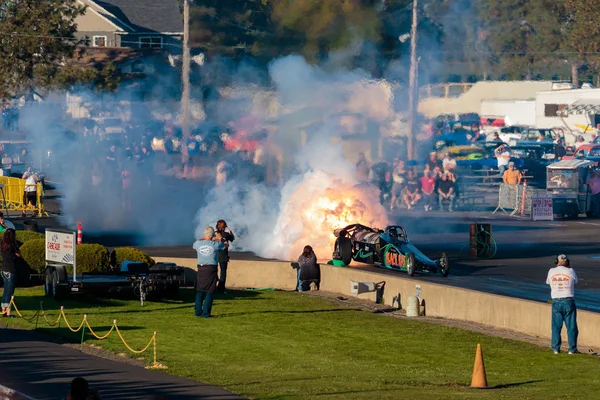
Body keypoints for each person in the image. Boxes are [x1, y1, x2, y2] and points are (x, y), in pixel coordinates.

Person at [546, 254, 579, 354]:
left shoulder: (551, 271)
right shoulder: (571, 271)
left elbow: (548, 282)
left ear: (557, 262)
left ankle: (555, 348)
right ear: (567, 262)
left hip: (556, 301)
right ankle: (572, 349)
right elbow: (576, 281)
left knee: (556, 327)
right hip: (568, 301)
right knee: (571, 327)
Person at [193, 226, 226, 318]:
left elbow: (195, 244)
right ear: (212, 235)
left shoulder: (198, 244)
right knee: (210, 291)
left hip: (201, 268)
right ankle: (206, 313)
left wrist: (205, 238)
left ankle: (197, 312)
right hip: (211, 268)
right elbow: (225, 245)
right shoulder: (215, 245)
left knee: (199, 291)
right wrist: (220, 238)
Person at [1, 229, 21, 318]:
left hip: (4, 269)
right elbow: (19, 254)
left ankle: (3, 309)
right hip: (11, 270)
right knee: (10, 292)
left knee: (5, 290)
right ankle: (9, 312)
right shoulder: (13, 245)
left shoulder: (2, 244)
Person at [215, 219, 235, 293]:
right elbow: (233, 238)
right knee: (223, 273)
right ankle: (220, 289)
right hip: (223, 256)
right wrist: (231, 233)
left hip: (214, 256)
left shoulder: (214, 234)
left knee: (214, 271)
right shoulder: (226, 235)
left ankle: (212, 286)